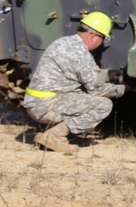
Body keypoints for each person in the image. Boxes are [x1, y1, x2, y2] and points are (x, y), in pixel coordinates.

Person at [23, 11, 126, 153]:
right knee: (103, 105)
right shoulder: (81, 54)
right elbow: (96, 90)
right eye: (103, 38)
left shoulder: (64, 42)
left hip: (37, 101)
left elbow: (76, 75)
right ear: (95, 37)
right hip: (46, 106)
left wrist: (107, 75)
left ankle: (64, 134)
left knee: (81, 93)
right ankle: (55, 136)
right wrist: (121, 89)